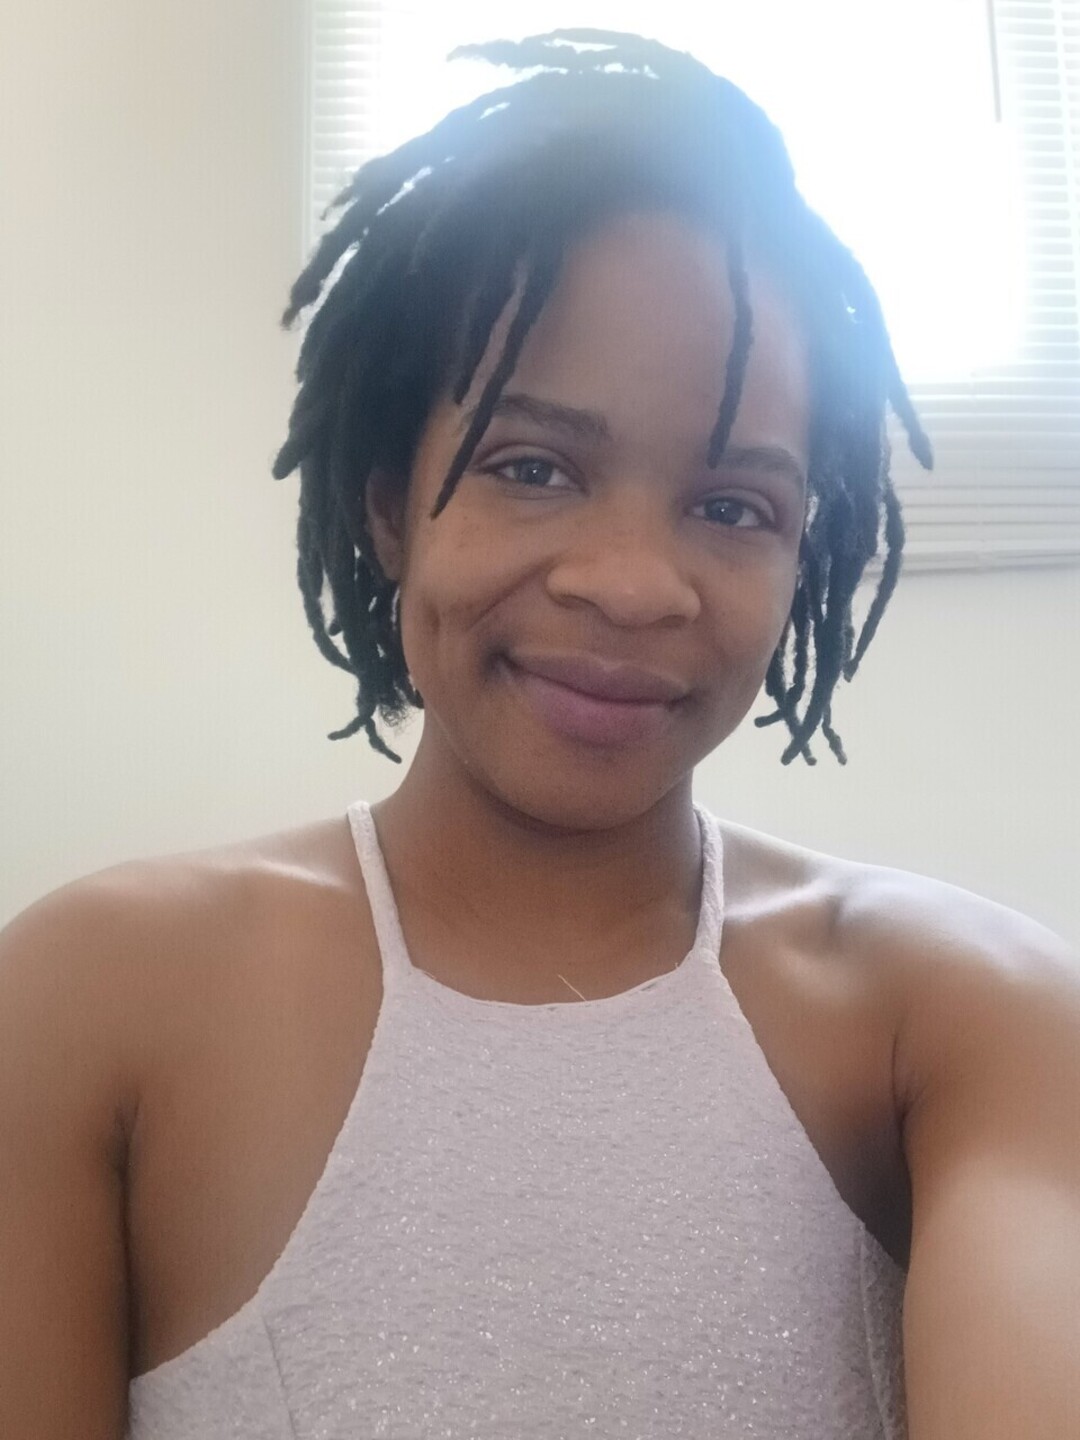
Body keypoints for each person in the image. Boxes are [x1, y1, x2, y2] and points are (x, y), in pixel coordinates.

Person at [1, 28, 1077, 1440]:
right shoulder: (87, 1003)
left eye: (734, 506)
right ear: (388, 506)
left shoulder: (970, 1014)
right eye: (532, 466)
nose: (632, 584)